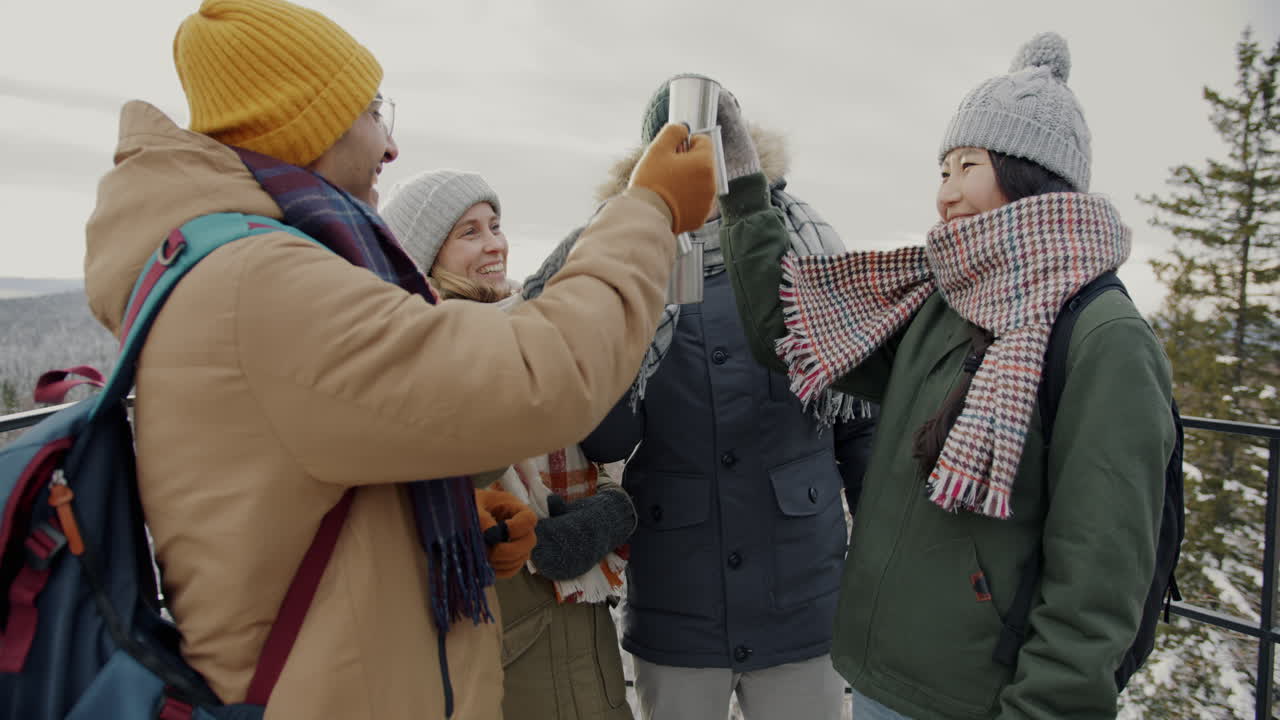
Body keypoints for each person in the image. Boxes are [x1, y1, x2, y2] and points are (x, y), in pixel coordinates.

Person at [80, 1, 716, 718]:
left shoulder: (246, 269)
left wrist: (444, 519)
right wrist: (647, 208)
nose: (388, 145)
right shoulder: (261, 284)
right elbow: (540, 376)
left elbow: (292, 486)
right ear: (307, 121)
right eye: (370, 111)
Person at [715, 34, 1177, 719]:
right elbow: (791, 332)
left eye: (967, 166)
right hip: (880, 678)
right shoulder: (946, 299)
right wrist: (747, 194)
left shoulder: (1104, 339)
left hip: (980, 700)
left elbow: (1100, 577)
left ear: (1029, 172)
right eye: (942, 170)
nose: (946, 195)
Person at [577, 75, 878, 720]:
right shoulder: (617, 268)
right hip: (678, 608)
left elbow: (861, 429)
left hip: (806, 602)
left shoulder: (808, 257)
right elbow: (602, 441)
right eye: (678, 152)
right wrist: (633, 321)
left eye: (711, 150)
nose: (700, 170)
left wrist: (885, 556)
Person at [383, 169, 638, 720]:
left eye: (495, 225)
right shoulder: (425, 347)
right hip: (508, 637)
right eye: (468, 232)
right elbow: (453, 462)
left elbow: (606, 443)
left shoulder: (530, 331)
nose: (494, 243)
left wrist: (608, 509)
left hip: (582, 631)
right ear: (427, 256)